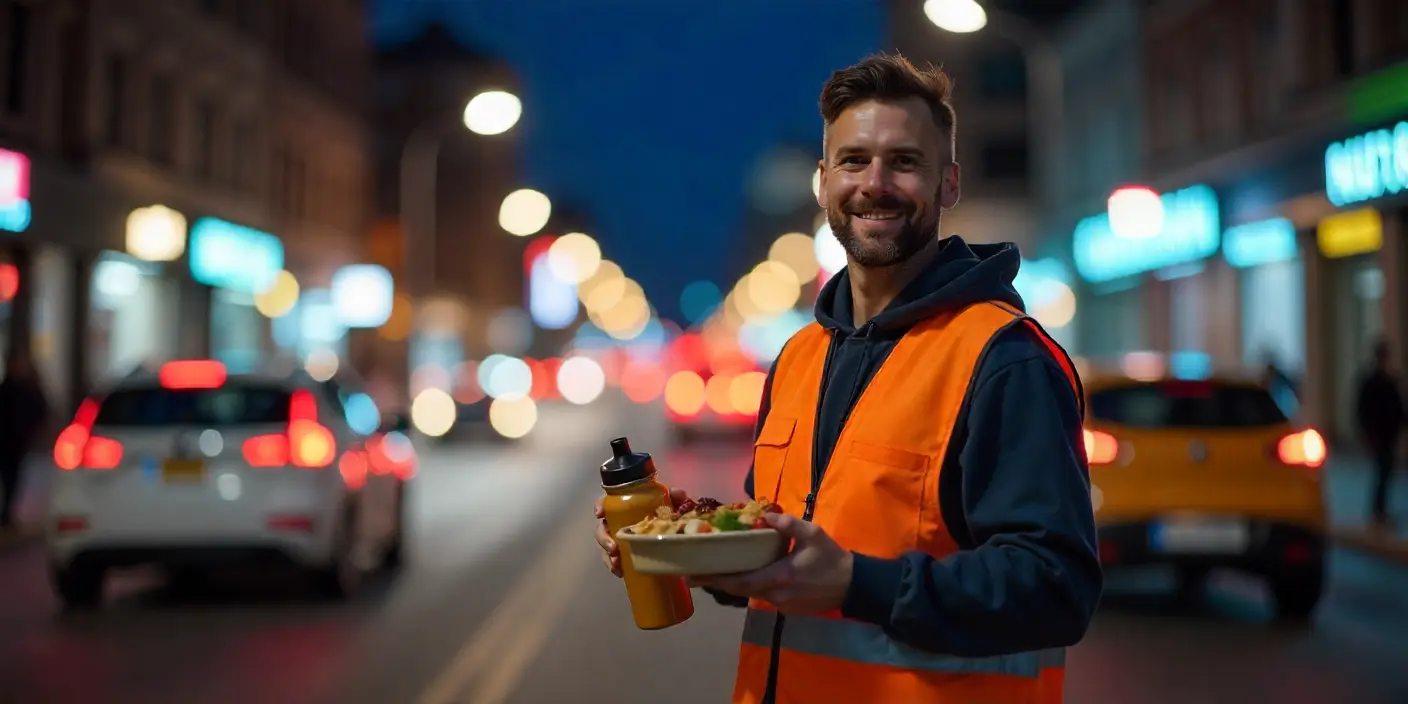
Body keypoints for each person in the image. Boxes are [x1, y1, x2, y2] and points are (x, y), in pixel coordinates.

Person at [594, 53, 1100, 703]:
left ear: (948, 184)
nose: (876, 183)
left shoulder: (1004, 359)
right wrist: (682, 550)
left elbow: (1056, 587)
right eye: (854, 160)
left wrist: (859, 584)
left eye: (905, 162)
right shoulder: (800, 358)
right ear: (823, 181)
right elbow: (779, 556)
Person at [1354, 339, 1404, 527]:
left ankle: (1380, 511)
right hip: (1378, 435)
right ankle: (1377, 512)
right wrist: (1367, 434)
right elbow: (1363, 410)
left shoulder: (1389, 381)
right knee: (1382, 472)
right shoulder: (1372, 382)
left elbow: (1398, 408)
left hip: (1389, 434)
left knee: (1387, 473)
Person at [0, 349, 50, 530]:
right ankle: (6, 514)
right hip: (7, 440)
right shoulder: (8, 389)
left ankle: (7, 513)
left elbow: (40, 410)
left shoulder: (28, 389)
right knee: (9, 477)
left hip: (18, 442)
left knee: (13, 478)